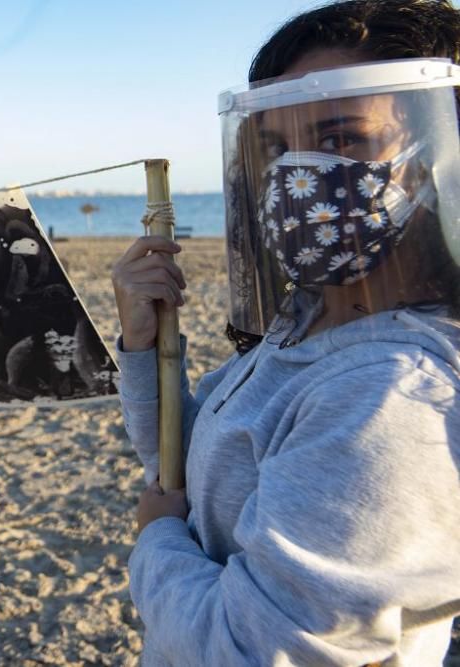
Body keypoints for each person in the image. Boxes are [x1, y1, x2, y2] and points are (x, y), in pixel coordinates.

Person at [111, 1, 460, 664]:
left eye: (340, 139)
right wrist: (142, 345)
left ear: (434, 157)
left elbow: (243, 650)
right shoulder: (309, 320)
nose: (294, 177)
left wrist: (157, 541)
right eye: (276, 147)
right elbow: (179, 462)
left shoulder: (388, 400)